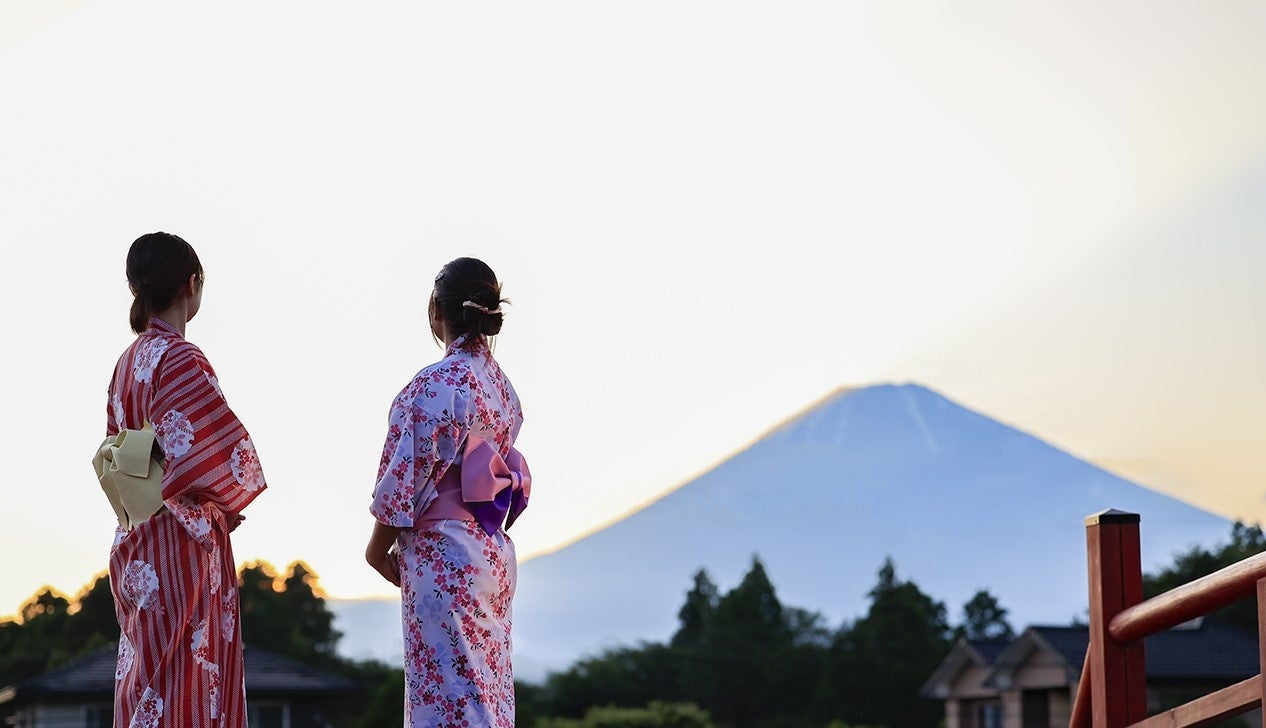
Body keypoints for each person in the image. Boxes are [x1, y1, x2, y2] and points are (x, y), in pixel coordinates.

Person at [102, 232, 266, 728]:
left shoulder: (126, 363)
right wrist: (227, 502)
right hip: (179, 543)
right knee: (189, 683)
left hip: (134, 541)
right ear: (192, 284)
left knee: (147, 681)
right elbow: (224, 457)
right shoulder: (181, 358)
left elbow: (115, 452)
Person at [366, 257, 530, 728]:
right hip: (489, 551)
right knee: (485, 697)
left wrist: (376, 552)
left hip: (446, 554)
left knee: (448, 700)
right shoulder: (502, 389)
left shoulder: (435, 386)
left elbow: (401, 486)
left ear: (435, 311)